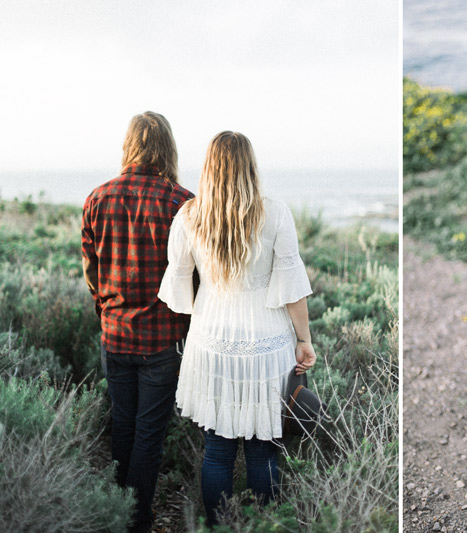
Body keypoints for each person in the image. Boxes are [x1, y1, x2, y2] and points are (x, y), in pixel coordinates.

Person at [157, 131, 316, 526]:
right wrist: (305, 340)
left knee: (217, 450)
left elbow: (178, 285)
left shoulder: (190, 215)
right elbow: (293, 288)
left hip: (211, 338)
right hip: (268, 339)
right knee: (264, 449)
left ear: (209, 168)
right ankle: (266, 525)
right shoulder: (275, 212)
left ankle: (217, 526)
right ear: (250, 165)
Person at [81, 111, 194, 533]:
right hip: (163, 338)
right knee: (148, 432)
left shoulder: (98, 197)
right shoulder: (182, 202)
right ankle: (137, 520)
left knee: (123, 426)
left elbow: (92, 271)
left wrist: (107, 312)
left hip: (116, 333)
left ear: (129, 145)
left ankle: (120, 512)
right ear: (167, 146)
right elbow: (194, 275)